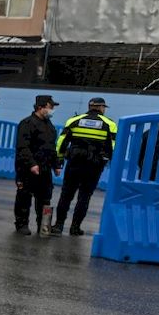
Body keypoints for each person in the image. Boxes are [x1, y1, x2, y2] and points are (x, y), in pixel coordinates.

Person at [51, 98, 117, 236]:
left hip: (74, 163)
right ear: (100, 108)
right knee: (84, 196)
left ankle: (58, 226)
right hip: (94, 166)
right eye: (104, 107)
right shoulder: (109, 124)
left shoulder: (74, 120)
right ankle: (75, 228)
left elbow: (61, 142)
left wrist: (59, 161)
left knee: (66, 195)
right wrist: (107, 161)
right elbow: (113, 147)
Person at [14, 95, 61, 236]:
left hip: (45, 169)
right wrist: (32, 164)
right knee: (24, 197)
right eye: (50, 107)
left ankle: (44, 226)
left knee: (45, 199)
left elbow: (52, 148)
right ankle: (22, 224)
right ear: (41, 107)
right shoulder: (27, 123)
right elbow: (23, 147)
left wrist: (56, 165)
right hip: (28, 169)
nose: (52, 110)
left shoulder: (49, 126)